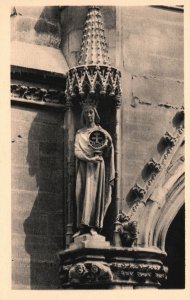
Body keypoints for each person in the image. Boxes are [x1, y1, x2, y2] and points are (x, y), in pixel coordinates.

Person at [73, 105, 115, 237]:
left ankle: (94, 226)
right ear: (83, 115)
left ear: (95, 114)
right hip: (84, 167)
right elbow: (77, 151)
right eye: (86, 113)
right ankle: (81, 226)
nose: (89, 115)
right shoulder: (80, 133)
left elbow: (108, 150)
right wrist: (88, 158)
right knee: (81, 194)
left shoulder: (101, 132)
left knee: (95, 195)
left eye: (91, 112)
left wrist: (108, 143)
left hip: (97, 167)